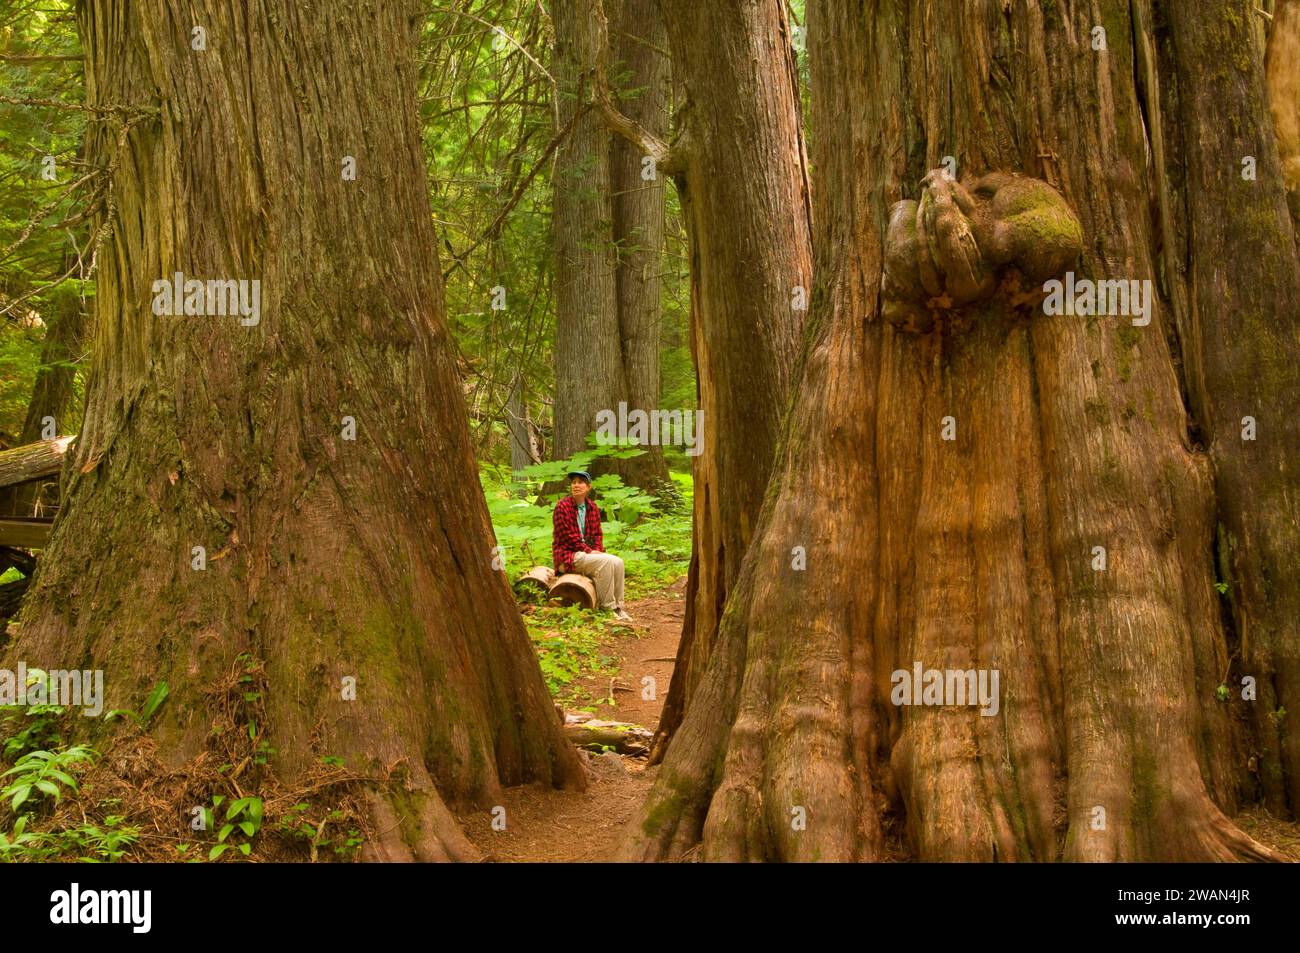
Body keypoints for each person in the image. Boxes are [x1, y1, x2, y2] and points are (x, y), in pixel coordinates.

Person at [552, 470, 632, 622]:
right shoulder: (562, 507)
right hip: (567, 556)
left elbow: (597, 535)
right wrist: (591, 551)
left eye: (580, 482)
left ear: (588, 487)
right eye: (573, 482)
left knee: (618, 562)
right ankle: (607, 608)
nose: (576, 485)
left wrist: (596, 550)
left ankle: (618, 607)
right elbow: (568, 537)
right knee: (606, 562)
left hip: (586, 554)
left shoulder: (592, 507)